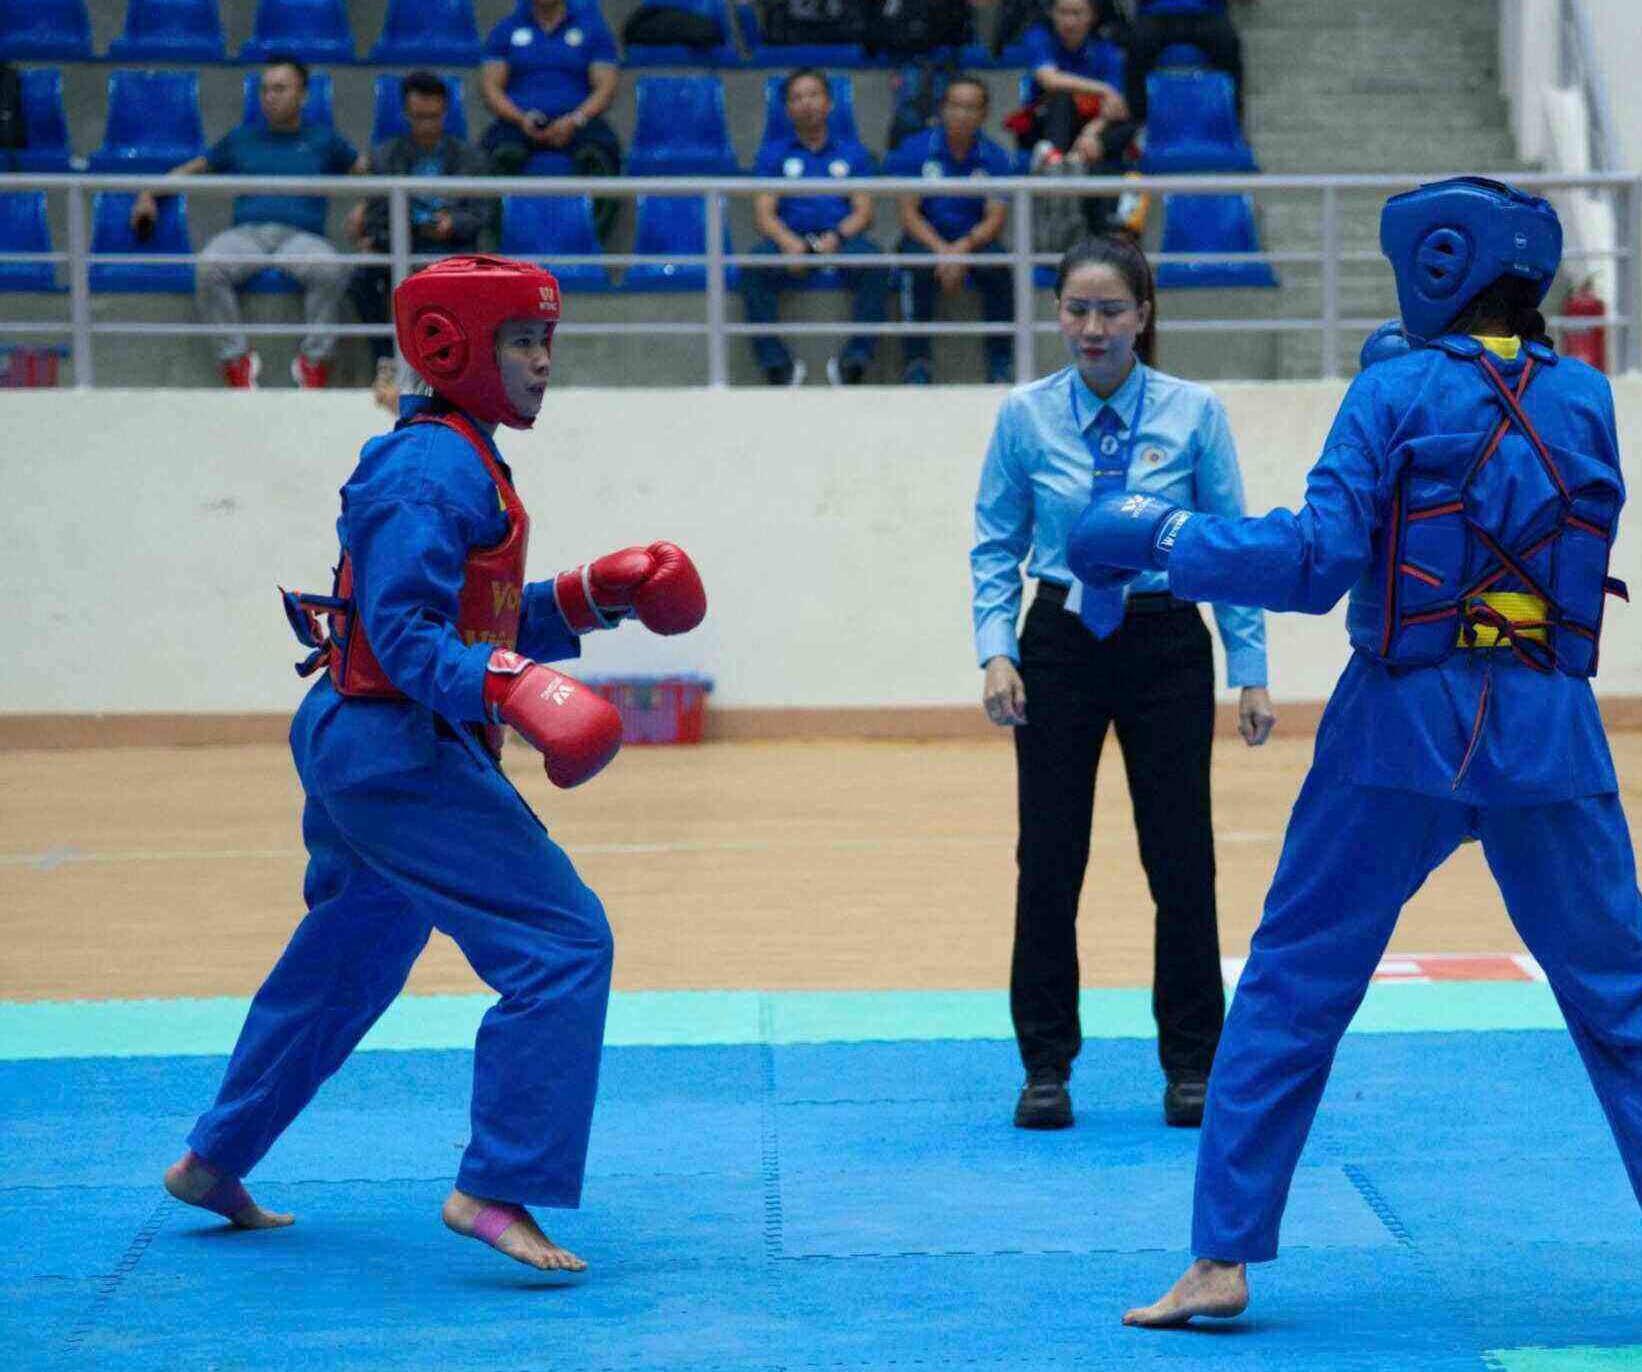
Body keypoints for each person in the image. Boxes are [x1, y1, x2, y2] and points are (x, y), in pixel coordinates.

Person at [1067, 178, 1642, 1349]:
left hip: (1399, 734)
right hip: (1549, 735)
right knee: (1629, 1006)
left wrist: (1163, 539)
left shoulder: (1393, 389)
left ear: (1436, 267)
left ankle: (1218, 1263)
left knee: (1290, 988)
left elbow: (1315, 564)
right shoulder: (1586, 401)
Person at [160, 255, 710, 1274]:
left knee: (349, 955)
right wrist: (518, 691)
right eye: (522, 343)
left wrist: (593, 596)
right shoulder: (430, 466)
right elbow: (408, 639)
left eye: (548, 340)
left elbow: (472, 621)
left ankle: (214, 1156)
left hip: (365, 738)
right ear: (453, 347)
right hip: (396, 748)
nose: (544, 361)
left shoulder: (460, 453)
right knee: (562, 942)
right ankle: (496, 1185)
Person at [972, 232, 1275, 1132]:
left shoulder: (1195, 413)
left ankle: (1192, 1063)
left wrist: (1249, 670)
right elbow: (995, 542)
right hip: (1060, 641)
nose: (1093, 328)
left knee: (1181, 861)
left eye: (1111, 310)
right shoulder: (1024, 418)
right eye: (1077, 309)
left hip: (1166, 642)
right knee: (1049, 861)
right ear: (1057, 314)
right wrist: (997, 648)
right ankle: (1046, 1065)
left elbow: (1229, 547)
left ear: (1144, 317)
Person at [131, 59, 357, 390]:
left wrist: (367, 205)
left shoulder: (324, 141)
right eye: (265, 89)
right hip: (248, 236)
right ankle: (237, 362)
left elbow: (368, 174)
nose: (270, 97)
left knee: (329, 268)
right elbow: (195, 169)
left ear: (303, 95)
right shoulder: (242, 138)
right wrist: (149, 192)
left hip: (301, 238)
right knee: (209, 267)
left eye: (280, 88)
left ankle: (314, 363)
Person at [345, 71, 489, 387]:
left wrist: (453, 224)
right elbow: (376, 214)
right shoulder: (386, 156)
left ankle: (457, 367)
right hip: (400, 244)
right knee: (361, 278)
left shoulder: (469, 158)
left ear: (445, 113)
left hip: (449, 247)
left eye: (433, 117)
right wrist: (392, 232)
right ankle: (386, 358)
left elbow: (479, 214)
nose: (426, 124)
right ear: (407, 114)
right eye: (419, 117)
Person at [745, 68, 887, 387]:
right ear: (787, 108)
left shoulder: (853, 153)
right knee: (754, 266)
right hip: (790, 239)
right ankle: (776, 363)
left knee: (876, 262)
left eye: (813, 95)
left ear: (829, 103)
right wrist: (788, 242)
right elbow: (764, 214)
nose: (806, 103)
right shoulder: (772, 155)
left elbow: (864, 211)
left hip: (841, 239)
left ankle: (856, 359)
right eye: (797, 97)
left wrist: (836, 237)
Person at [480, 0, 622, 243]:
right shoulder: (506, 30)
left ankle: (590, 245)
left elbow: (606, 86)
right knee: (493, 159)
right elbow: (491, 88)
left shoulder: (592, 28)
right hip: (518, 123)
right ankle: (500, 249)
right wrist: (520, 119)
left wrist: (575, 119)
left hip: (581, 123)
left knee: (602, 156)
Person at [886, 75, 1015, 386]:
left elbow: (995, 218)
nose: (962, 114)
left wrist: (960, 250)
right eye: (955, 106)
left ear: (984, 114)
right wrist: (943, 251)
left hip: (974, 241)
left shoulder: (996, 157)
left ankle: (1000, 364)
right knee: (915, 267)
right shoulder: (916, 150)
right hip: (926, 238)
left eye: (972, 108)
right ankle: (917, 363)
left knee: (1001, 267)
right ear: (942, 110)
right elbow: (909, 214)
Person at [1016, 0, 1145, 237]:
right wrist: (1103, 89)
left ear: (1091, 17)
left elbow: (1114, 108)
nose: (1069, 20)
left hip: (1089, 136)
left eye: (1077, 13)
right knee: (1062, 96)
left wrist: (1090, 135)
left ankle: (1109, 226)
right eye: (1063, 12)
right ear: (1052, 14)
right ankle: (1055, 161)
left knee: (1123, 132)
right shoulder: (1039, 38)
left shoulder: (1106, 51)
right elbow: (1050, 80)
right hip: (1046, 126)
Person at [1123, 0, 1244, 120]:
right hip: (1156, 15)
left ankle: (1233, 120)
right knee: (1137, 44)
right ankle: (1137, 121)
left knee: (1228, 44)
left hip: (1206, 14)